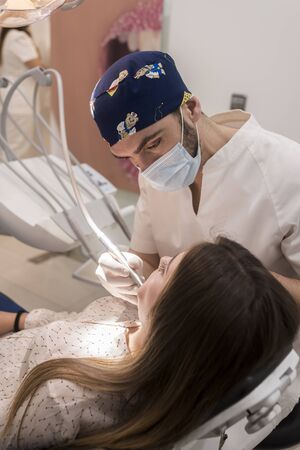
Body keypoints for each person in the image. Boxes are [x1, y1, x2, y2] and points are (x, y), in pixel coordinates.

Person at [0, 238, 299, 449]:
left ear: (174, 324)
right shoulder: (134, 315)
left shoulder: (64, 394)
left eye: (166, 271)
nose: (163, 258)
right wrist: (18, 321)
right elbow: (66, 322)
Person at [90, 51, 300, 307]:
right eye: (129, 158)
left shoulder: (286, 170)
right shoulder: (152, 177)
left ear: (191, 109)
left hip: (267, 342)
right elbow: (148, 260)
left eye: (154, 143)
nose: (146, 168)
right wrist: (126, 273)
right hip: (184, 337)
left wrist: (238, 282)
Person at [0, 26, 45, 159]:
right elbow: (38, 70)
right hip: (20, 102)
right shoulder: (18, 37)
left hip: (10, 101)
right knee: (16, 154)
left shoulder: (7, 37)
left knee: (8, 152)